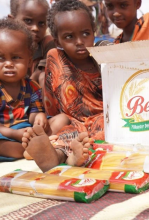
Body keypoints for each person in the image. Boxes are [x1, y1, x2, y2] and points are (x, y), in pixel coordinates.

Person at [22, 0, 103, 172]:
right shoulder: (55, 58)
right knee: (62, 125)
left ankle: (67, 154)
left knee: (103, 129)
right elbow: (53, 104)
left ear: (94, 31)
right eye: (69, 37)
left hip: (102, 119)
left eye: (85, 33)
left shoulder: (104, 58)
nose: (79, 41)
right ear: (57, 40)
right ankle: (55, 155)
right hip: (72, 123)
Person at [0, 18, 69, 160]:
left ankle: (38, 145)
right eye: (1, 58)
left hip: (29, 131)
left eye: (16, 58)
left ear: (29, 61)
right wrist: (14, 134)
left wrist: (39, 117)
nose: (8, 64)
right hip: (6, 135)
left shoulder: (31, 86)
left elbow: (33, 113)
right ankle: (33, 149)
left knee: (62, 119)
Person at [8, 0, 55, 89]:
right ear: (12, 20)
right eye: (28, 21)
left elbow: (39, 76)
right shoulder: (4, 45)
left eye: (41, 23)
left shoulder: (48, 43)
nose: (35, 28)